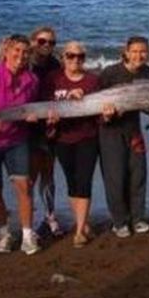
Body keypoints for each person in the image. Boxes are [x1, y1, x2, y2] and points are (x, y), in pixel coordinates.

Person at [0, 34, 41, 255]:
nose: (21, 55)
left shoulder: (32, 80)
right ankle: (4, 234)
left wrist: (33, 117)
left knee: (24, 186)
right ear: (6, 51)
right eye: (17, 50)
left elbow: (31, 109)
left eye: (26, 52)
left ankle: (27, 236)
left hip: (17, 140)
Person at [41, 42, 100, 248]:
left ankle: (80, 230)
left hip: (87, 137)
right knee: (72, 182)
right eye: (71, 55)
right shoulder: (53, 78)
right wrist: (51, 116)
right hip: (62, 138)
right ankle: (82, 222)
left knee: (84, 181)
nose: (76, 59)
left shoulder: (93, 80)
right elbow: (45, 104)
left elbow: (99, 110)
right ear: (63, 57)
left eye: (80, 56)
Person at [98, 36, 149, 238]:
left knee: (138, 174)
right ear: (126, 52)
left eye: (143, 51)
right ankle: (119, 222)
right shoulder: (110, 73)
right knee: (115, 177)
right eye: (135, 51)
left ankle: (137, 219)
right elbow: (93, 102)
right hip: (110, 131)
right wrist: (105, 116)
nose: (139, 55)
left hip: (134, 129)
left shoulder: (147, 73)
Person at [29, 26, 63, 237]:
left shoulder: (55, 65)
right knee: (30, 175)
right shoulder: (25, 62)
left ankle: (50, 216)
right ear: (33, 41)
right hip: (27, 125)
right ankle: (28, 222)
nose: (47, 45)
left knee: (48, 172)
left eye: (51, 42)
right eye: (42, 41)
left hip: (49, 123)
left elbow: (58, 92)